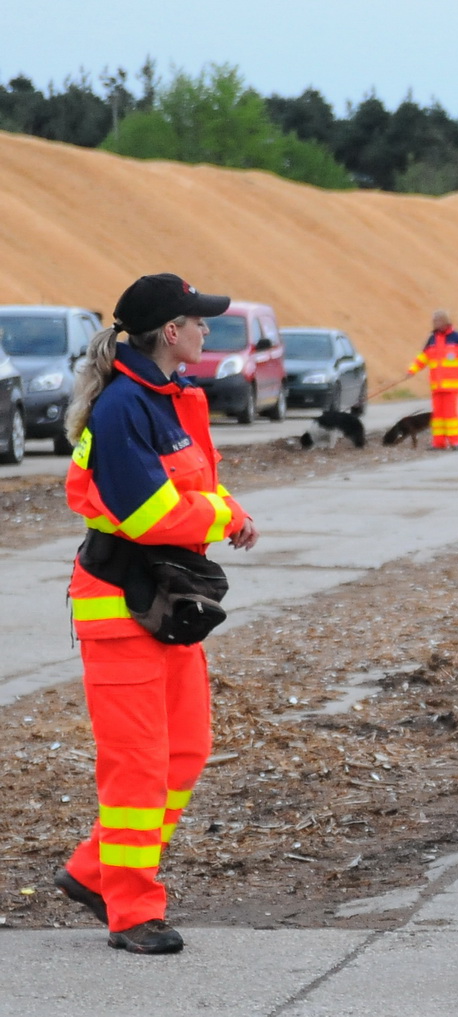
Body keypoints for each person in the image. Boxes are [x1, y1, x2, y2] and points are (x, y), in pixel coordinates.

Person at [53, 274, 260, 955]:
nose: (207, 329)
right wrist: (221, 513)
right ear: (170, 331)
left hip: (161, 601)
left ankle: (93, 871)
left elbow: (192, 483)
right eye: (198, 320)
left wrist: (230, 508)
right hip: (119, 606)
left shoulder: (168, 399)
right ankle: (132, 909)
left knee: (184, 749)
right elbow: (149, 514)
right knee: (137, 764)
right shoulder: (124, 409)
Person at [405, 311, 458, 449]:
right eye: (434, 321)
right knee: (437, 417)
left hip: (452, 387)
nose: (434, 323)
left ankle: (456, 442)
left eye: (437, 320)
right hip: (436, 386)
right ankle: (439, 443)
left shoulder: (457, 338)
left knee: (451, 416)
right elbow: (422, 358)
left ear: (445, 321)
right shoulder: (432, 339)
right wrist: (411, 371)